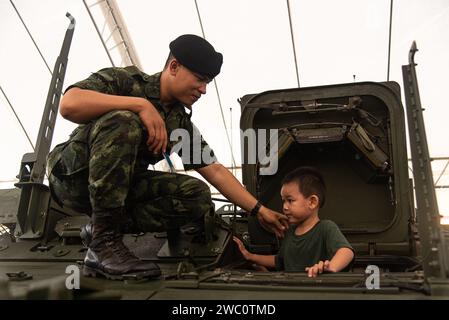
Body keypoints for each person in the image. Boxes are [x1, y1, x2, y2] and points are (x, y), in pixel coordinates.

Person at [47, 34, 289, 280]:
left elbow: (214, 170)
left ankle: (99, 230)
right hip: (71, 176)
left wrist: (259, 210)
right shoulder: (124, 80)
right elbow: (69, 105)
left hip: (117, 190)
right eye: (200, 79)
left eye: (208, 83)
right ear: (174, 67)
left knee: (197, 196)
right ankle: (103, 243)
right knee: (124, 121)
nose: (204, 90)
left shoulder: (178, 122)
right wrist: (140, 106)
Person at [233, 167, 354, 277]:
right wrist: (250, 256)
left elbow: (346, 252)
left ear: (312, 202)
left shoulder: (326, 228)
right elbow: (279, 260)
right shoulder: (290, 232)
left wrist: (330, 267)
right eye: (283, 201)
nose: (284, 207)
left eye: (290, 200)